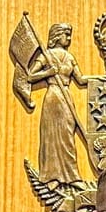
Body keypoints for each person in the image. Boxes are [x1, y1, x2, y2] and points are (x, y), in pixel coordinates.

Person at [28, 22, 89, 190]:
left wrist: (100, 79)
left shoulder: (69, 57)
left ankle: (72, 177)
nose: (68, 39)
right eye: (66, 35)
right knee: (51, 135)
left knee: (67, 134)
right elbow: (31, 76)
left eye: (70, 35)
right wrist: (47, 73)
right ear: (56, 36)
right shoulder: (46, 55)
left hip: (66, 95)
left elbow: (81, 80)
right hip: (53, 96)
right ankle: (51, 177)